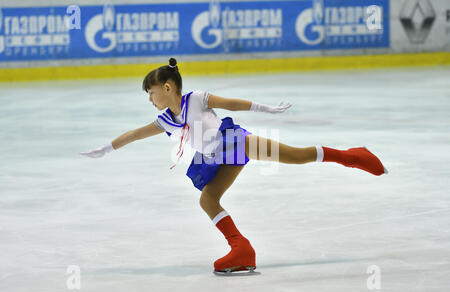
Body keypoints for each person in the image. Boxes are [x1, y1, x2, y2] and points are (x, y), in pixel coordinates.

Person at [80, 57, 388, 276]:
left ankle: (354, 156)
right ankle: (242, 249)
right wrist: (106, 148)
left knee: (296, 156)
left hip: (235, 143)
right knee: (207, 199)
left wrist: (266, 108)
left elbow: (232, 104)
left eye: (151, 92)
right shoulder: (164, 120)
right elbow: (135, 134)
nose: (150, 98)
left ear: (168, 87)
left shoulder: (197, 99)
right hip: (216, 158)